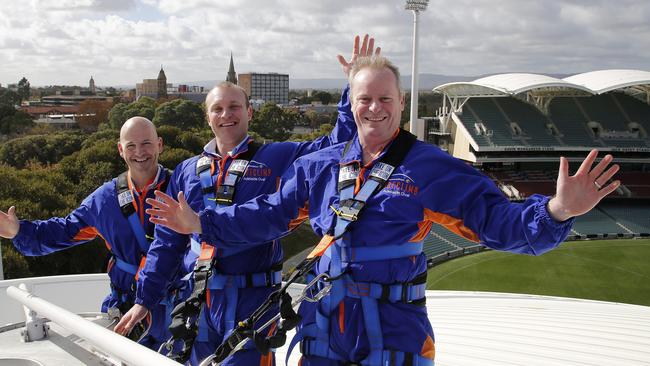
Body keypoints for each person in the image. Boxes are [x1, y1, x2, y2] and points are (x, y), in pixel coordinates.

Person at [147, 54, 621, 365]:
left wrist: (558, 209)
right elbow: (267, 215)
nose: (375, 108)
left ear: (401, 102)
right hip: (325, 326)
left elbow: (496, 223)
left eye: (385, 99)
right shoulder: (319, 166)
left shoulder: (430, 167)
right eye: (364, 99)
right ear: (351, 105)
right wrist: (201, 222)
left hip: (393, 328)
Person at [115, 35, 380, 365]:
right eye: (218, 109)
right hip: (198, 301)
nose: (226, 115)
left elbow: (336, 146)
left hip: (252, 301)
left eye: (234, 107)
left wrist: (353, 87)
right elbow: (167, 243)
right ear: (207, 117)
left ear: (249, 113)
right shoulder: (185, 172)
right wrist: (144, 299)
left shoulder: (276, 157)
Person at [0, 116, 178, 350]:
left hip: (176, 305)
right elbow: (65, 230)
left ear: (160, 145)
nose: (139, 152)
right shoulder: (105, 200)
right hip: (126, 306)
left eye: (146, 143)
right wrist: (19, 231)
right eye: (131, 146)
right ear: (120, 150)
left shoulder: (182, 188)